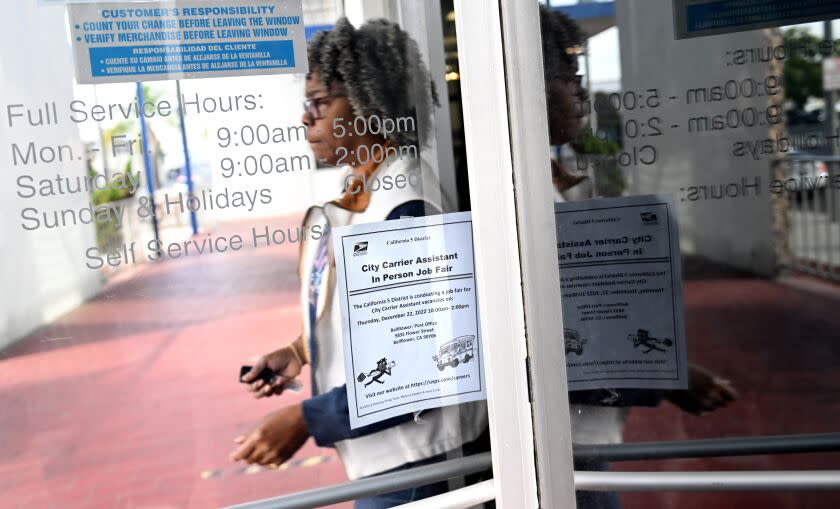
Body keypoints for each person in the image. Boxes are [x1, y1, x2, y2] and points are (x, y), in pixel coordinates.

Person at [231, 18, 488, 508]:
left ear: (370, 107)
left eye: (320, 103)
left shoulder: (406, 208)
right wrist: (299, 351)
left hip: (420, 461)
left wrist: (306, 420)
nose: (306, 119)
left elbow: (426, 362)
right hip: (394, 453)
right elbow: (377, 320)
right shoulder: (368, 196)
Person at [539, 6, 738, 508]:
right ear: (528, 85)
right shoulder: (516, 200)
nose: (582, 92)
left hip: (578, 440)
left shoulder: (551, 182)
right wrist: (667, 378)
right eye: (570, 77)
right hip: (555, 449)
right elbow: (548, 344)